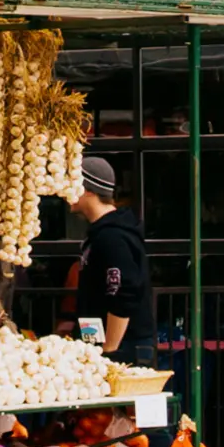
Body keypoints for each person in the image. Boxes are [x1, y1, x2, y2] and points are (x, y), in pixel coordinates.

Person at [68, 156, 153, 367]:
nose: (65, 192)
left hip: (123, 351)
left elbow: (123, 291)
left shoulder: (112, 238)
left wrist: (109, 350)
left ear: (88, 190)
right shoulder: (100, 234)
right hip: (103, 345)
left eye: (71, 184)